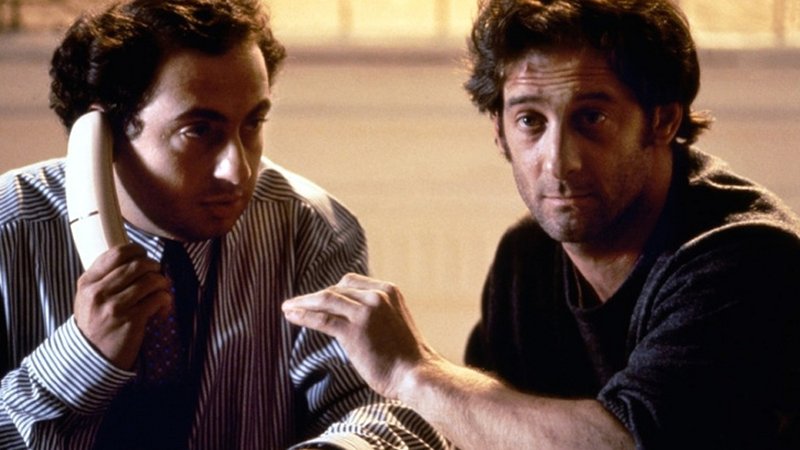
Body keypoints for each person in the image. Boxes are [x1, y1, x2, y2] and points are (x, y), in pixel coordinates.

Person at [282, 0, 800, 448]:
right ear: (499, 132)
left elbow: (627, 442)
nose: (558, 161)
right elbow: (483, 431)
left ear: (662, 120)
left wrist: (412, 372)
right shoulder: (526, 258)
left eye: (591, 118)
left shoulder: (747, 257)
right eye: (530, 120)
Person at [0, 0, 450, 448]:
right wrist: (82, 357)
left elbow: (377, 409)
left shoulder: (307, 226)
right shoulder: (9, 230)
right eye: (199, 131)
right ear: (102, 133)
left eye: (252, 124)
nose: (238, 171)